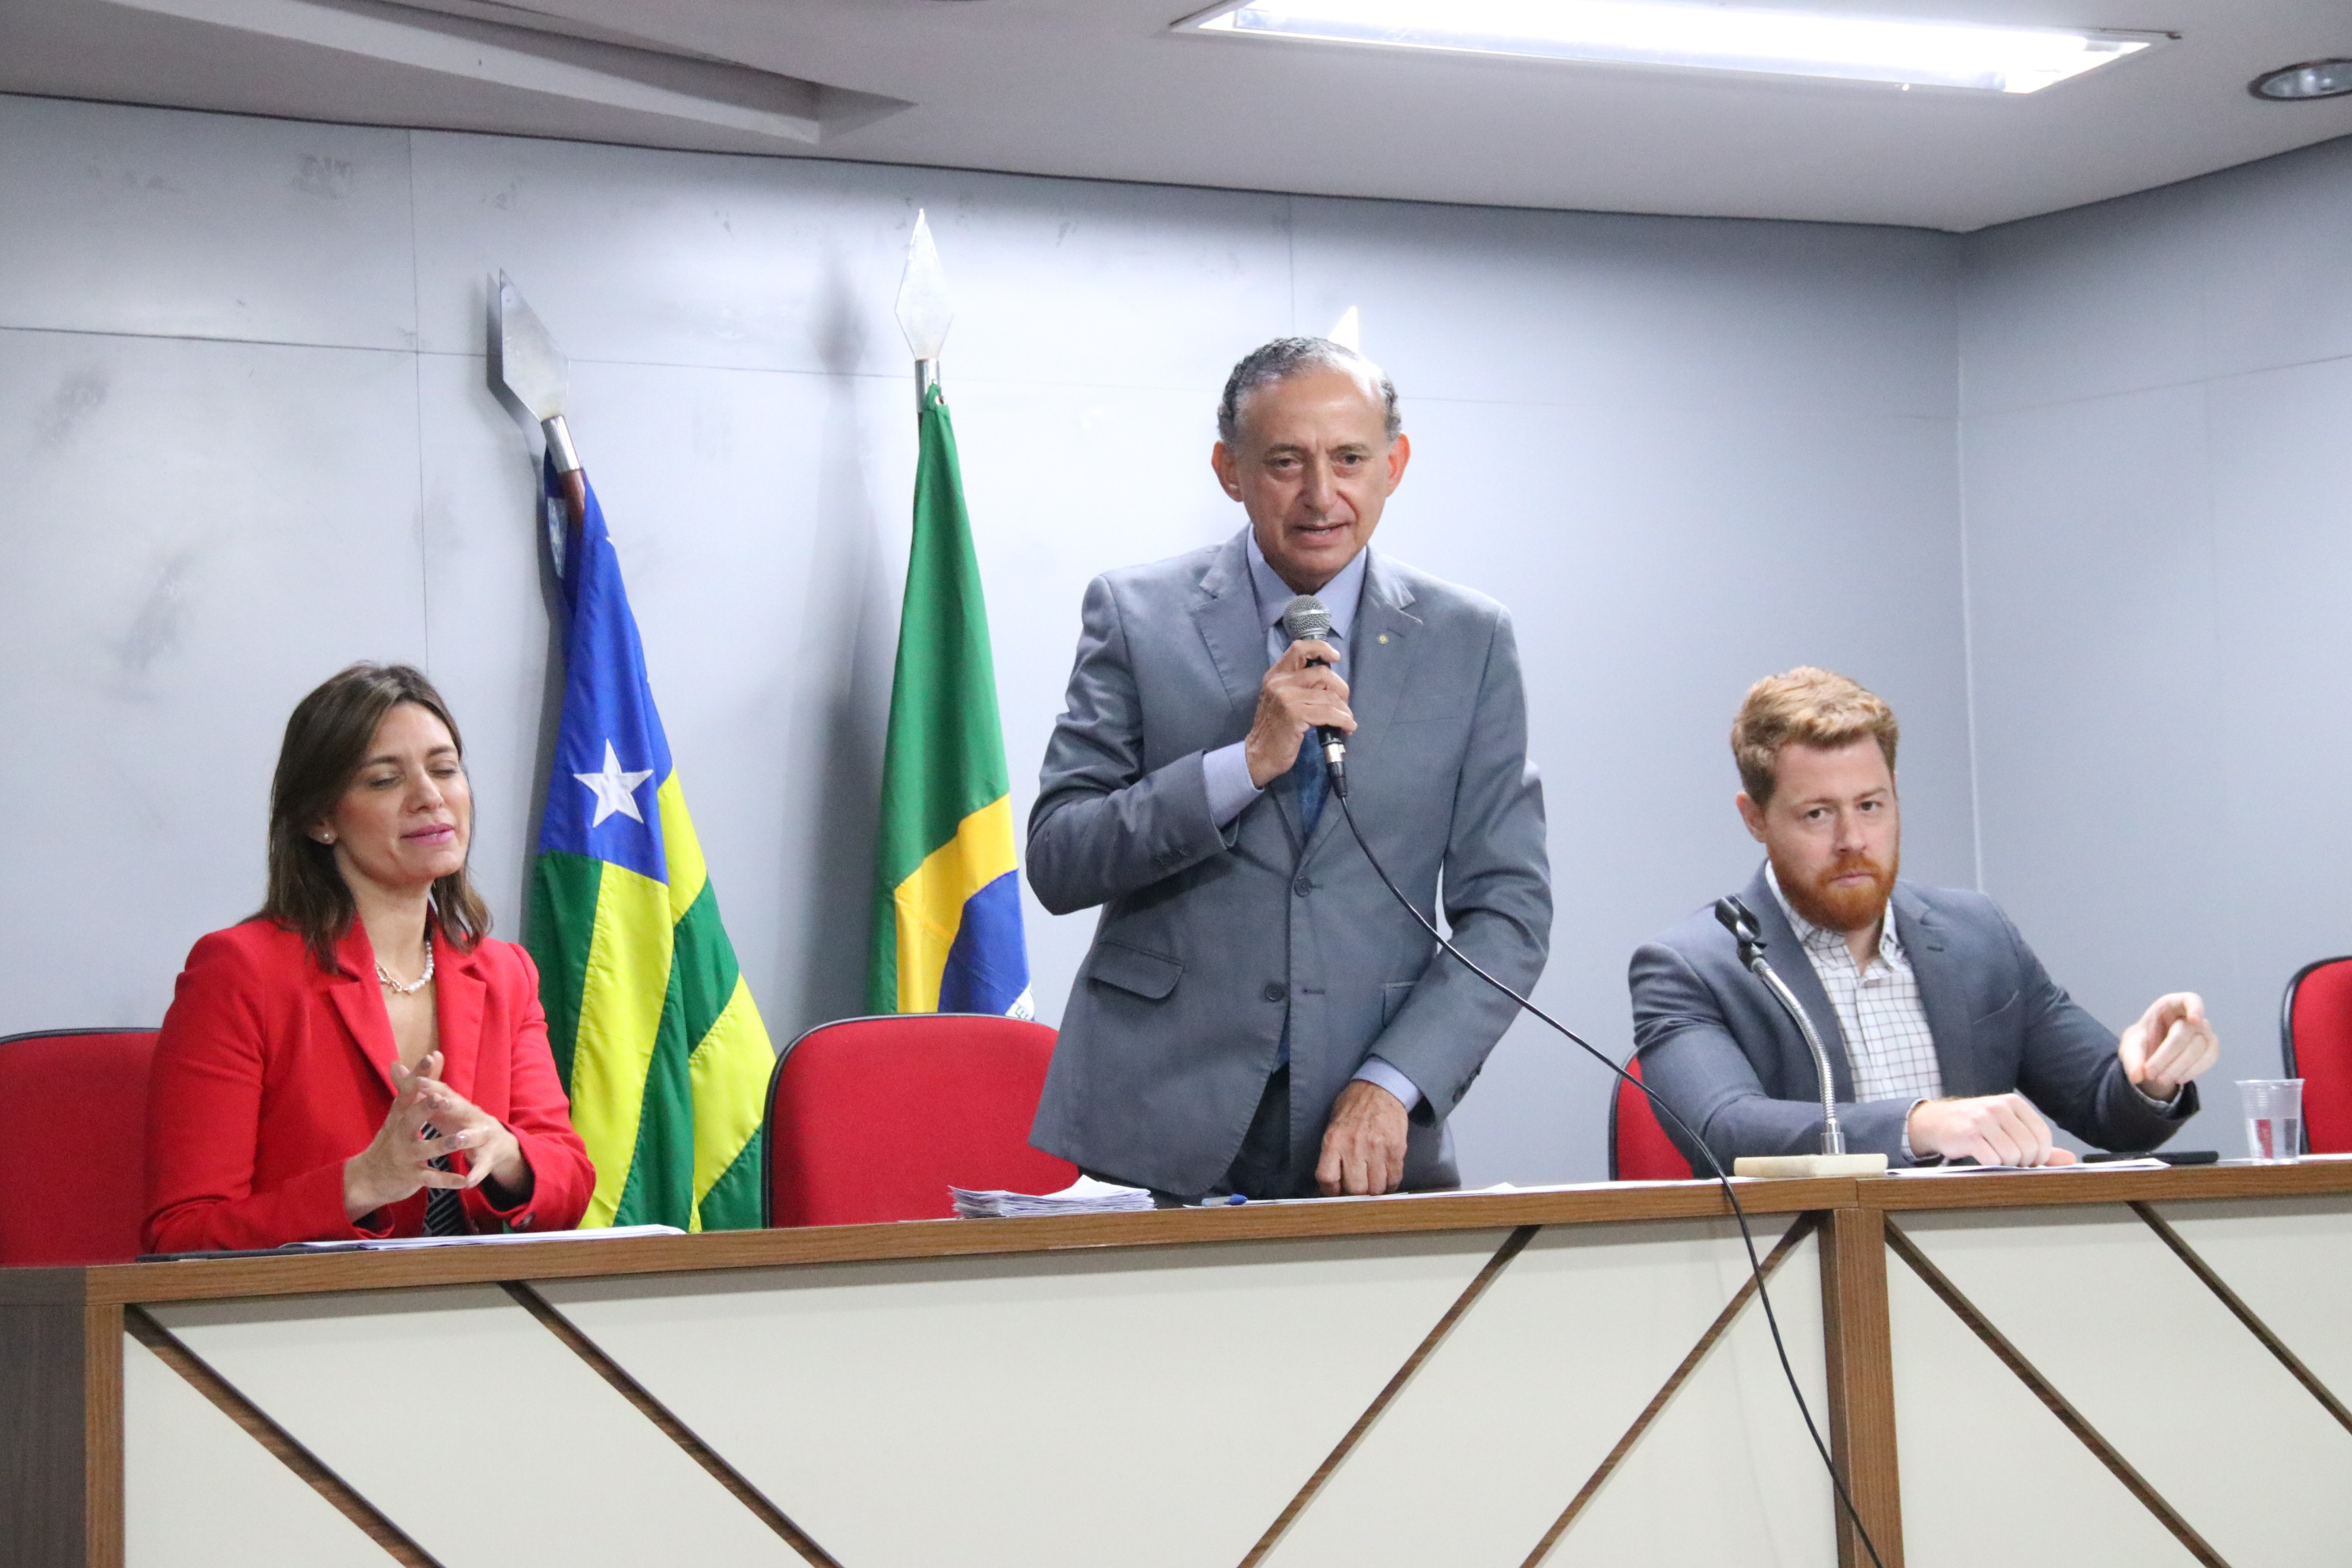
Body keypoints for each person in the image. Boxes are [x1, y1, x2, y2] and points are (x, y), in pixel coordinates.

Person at [1026, 337, 1552, 1200]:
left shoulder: (1471, 639)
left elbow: (1509, 913)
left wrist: (1395, 1081)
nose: (1321, 494)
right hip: (1156, 1120)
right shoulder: (1135, 613)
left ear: (1394, 464)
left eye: (1349, 459)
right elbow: (1059, 858)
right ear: (1229, 471)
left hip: (1367, 1131)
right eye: (1284, 462)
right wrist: (1241, 766)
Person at [1629, 667, 2218, 1170]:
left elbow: (2108, 1113)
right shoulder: (1694, 966)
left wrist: (2152, 1074)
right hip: (1812, 1260)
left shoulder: (1977, 934)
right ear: (1754, 818)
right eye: (1817, 814)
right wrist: (1922, 1125)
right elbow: (1726, 1129)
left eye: (1870, 805)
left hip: (1980, 1250)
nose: (1853, 839)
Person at [144, 664, 594, 1253]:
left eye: (445, 769)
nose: (430, 797)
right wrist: (362, 1183)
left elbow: (569, 1180)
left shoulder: (505, 972)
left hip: (479, 1301)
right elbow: (181, 1236)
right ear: (320, 819)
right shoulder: (240, 972)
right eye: (384, 780)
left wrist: (503, 1150)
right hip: (314, 1307)